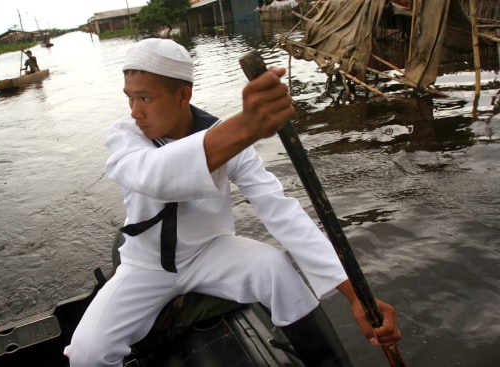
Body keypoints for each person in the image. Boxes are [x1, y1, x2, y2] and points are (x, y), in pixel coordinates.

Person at [64, 38, 402, 367]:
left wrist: (355, 295)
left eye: (146, 98)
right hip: (146, 265)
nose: (136, 111)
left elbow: (279, 209)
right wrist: (245, 126)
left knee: (276, 269)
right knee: (86, 354)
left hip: (212, 252)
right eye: (130, 98)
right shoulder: (126, 136)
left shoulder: (224, 136)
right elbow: (154, 174)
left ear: (183, 95)